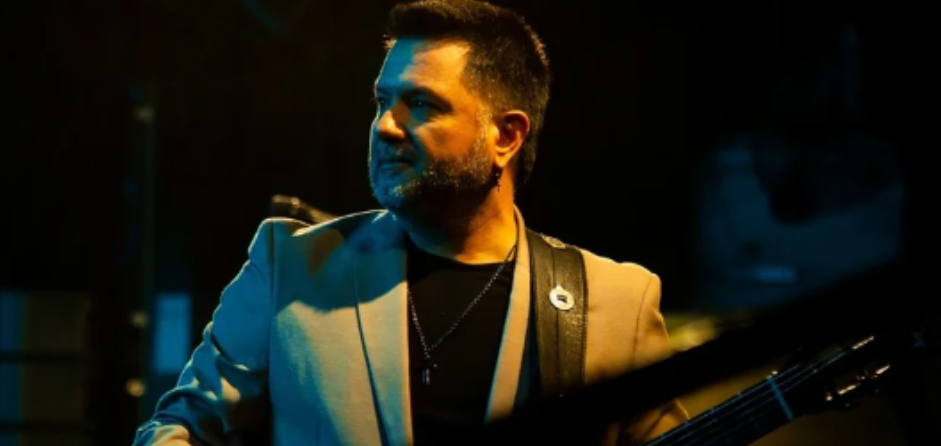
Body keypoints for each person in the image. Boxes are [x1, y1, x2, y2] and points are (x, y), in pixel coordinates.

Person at [132, 0, 687, 444]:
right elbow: (180, 427)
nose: (385, 126)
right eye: (383, 101)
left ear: (506, 136)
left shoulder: (615, 304)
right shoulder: (290, 266)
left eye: (422, 104)